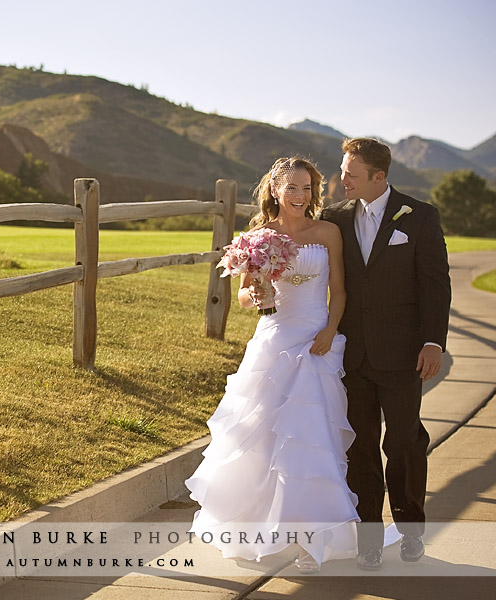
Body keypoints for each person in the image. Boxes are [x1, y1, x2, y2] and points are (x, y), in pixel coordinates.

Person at [185, 157, 357, 574]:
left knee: (311, 438)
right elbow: (245, 295)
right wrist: (258, 297)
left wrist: (330, 330)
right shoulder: (259, 236)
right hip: (275, 338)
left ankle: (310, 539)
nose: (301, 196)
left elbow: (340, 290)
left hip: (316, 339)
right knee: (262, 438)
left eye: (308, 188)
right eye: (293, 188)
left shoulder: (329, 232)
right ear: (276, 190)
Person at [321, 138, 451, 570]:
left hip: (403, 356)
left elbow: (435, 285)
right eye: (343, 171)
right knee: (359, 450)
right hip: (351, 356)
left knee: (404, 443)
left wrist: (433, 341)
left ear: (380, 177)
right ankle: (369, 541)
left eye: (352, 174)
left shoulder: (420, 216)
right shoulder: (334, 218)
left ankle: (412, 530)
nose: (342, 180)